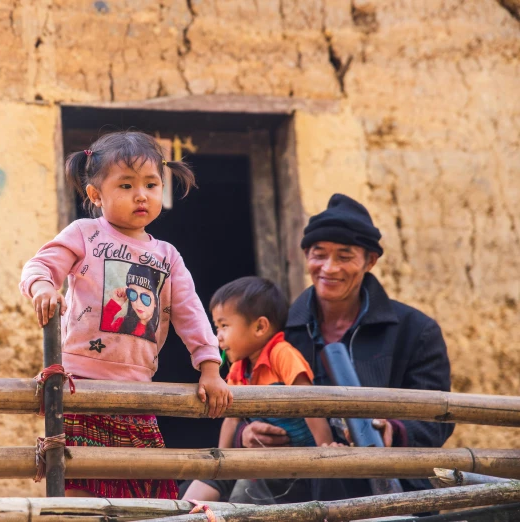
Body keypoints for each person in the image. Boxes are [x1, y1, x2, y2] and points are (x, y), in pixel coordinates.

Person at [186, 193, 454, 503]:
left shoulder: (416, 331)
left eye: (344, 256)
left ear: (370, 261)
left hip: (389, 494)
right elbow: (241, 403)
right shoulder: (278, 332)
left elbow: (437, 420)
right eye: (319, 254)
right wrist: (248, 435)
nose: (329, 267)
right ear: (305, 255)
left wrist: (392, 430)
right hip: (294, 493)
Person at [19, 131, 233, 500]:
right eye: (126, 185)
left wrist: (209, 366)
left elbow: (191, 313)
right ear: (96, 195)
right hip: (80, 386)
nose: (141, 195)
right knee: (79, 485)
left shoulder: (168, 255)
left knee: (141, 492)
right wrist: (42, 287)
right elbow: (40, 264)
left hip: (138, 393)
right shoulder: (85, 234)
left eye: (151, 184)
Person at [183, 276, 333, 503]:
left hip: (298, 464)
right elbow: (232, 419)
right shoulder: (239, 368)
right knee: (203, 481)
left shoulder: (282, 353)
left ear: (260, 327)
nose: (218, 336)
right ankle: (181, 514)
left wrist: (326, 451)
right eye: (216, 327)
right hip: (262, 460)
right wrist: (221, 462)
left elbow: (310, 404)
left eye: (224, 326)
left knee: (244, 492)